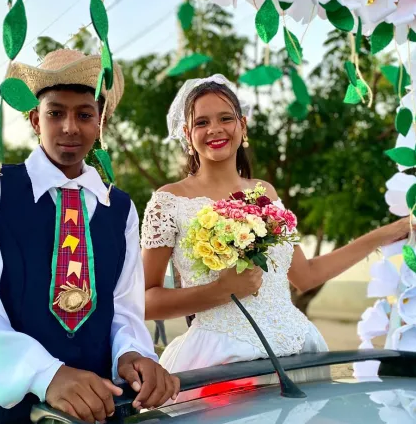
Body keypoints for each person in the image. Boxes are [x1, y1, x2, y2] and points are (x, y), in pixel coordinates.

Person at [0, 49, 179, 424]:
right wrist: (45, 373)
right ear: (35, 119)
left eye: (85, 114)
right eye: (56, 113)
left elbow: (124, 310)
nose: (70, 128)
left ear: (100, 122)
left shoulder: (120, 208)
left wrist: (133, 355)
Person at [141, 74, 411, 374]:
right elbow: (144, 302)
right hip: (222, 360)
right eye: (202, 122)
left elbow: (306, 275)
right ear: (187, 132)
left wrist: (391, 231)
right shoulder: (168, 201)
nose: (215, 129)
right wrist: (221, 290)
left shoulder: (264, 192)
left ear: (242, 126)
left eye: (225, 118)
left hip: (298, 351)